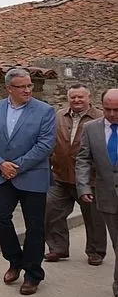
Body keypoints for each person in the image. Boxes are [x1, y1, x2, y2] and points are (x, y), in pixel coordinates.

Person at [0, 67, 57, 295]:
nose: (27, 90)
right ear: (9, 89)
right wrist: (0, 164)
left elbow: (45, 144)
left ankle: (33, 274)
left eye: (29, 85)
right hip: (1, 174)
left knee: (35, 226)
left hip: (32, 175)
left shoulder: (45, 111)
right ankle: (15, 260)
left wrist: (17, 166)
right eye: (21, 86)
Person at [46, 83, 106, 265]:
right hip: (60, 175)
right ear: (68, 98)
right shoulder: (59, 116)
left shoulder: (100, 118)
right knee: (51, 211)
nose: (77, 100)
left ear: (89, 98)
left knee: (93, 217)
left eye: (81, 97)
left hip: (89, 178)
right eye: (73, 97)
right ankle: (58, 248)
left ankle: (95, 251)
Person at [75, 88, 118, 297]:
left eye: (117, 110)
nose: (112, 114)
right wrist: (83, 186)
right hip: (108, 197)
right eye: (107, 109)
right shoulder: (91, 129)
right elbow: (83, 159)